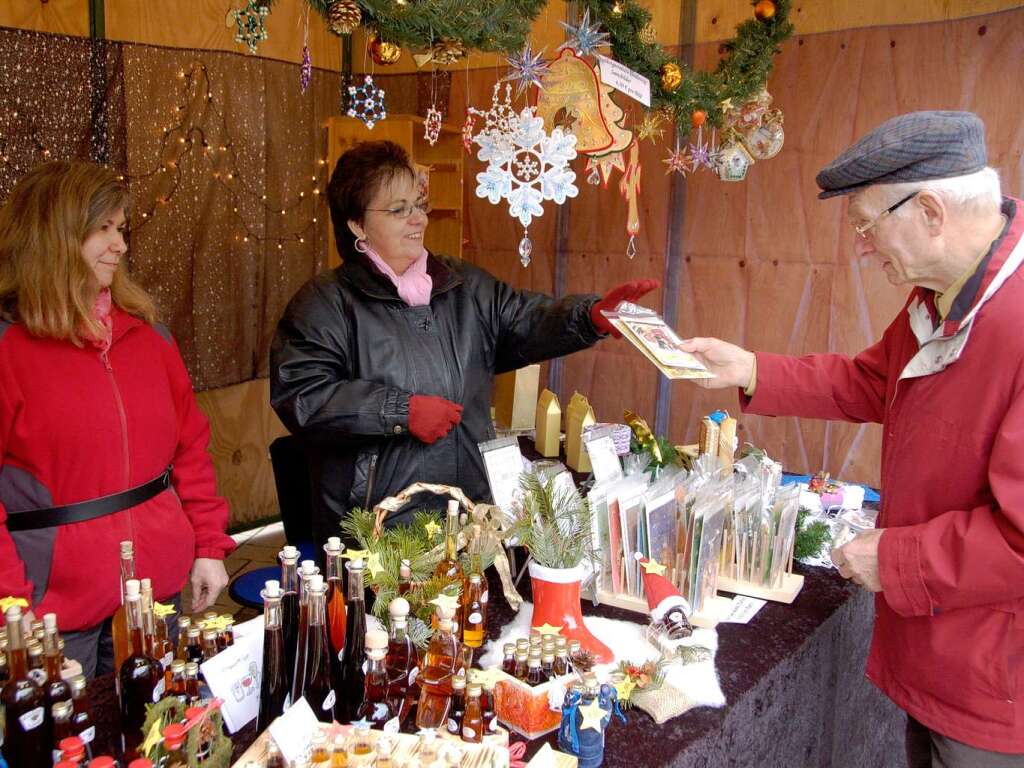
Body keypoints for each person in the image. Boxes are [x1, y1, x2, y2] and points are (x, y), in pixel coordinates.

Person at [681, 112, 1023, 766]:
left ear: (929, 209)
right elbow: (872, 381)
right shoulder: (942, 294)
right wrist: (751, 368)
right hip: (943, 656)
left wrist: (894, 560)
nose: (861, 247)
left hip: (997, 680)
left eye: (867, 225)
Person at [270, 140, 656, 545]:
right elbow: (303, 396)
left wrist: (589, 317)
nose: (416, 219)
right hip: (379, 528)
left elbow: (524, 319)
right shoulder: (325, 303)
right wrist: (400, 411)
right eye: (398, 210)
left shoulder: (462, 284)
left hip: (471, 513)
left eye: (418, 205)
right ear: (357, 225)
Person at [0, 160, 234, 677]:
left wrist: (208, 546)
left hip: (156, 594)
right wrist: (12, 608)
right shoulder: (9, 351)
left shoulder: (151, 340)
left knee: (156, 733)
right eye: (103, 228)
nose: (120, 244)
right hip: (53, 610)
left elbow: (190, 449)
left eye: (121, 228)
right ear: (53, 236)